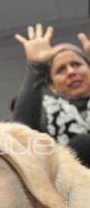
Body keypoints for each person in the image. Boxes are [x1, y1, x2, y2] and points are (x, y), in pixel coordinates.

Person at [13, 23, 90, 166]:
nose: (71, 72)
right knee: (82, 144)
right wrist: (36, 66)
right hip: (73, 184)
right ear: (52, 86)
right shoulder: (45, 113)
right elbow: (21, 131)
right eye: (61, 70)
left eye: (76, 64)